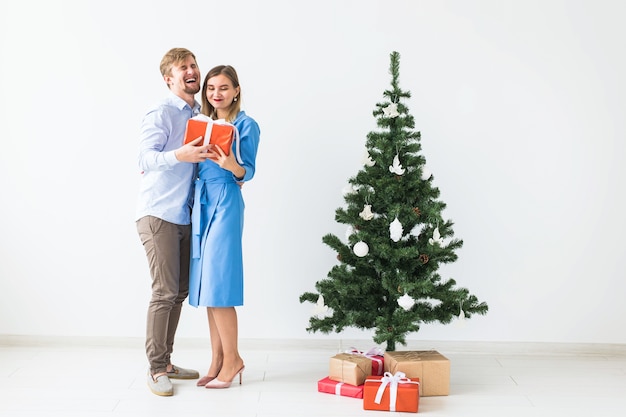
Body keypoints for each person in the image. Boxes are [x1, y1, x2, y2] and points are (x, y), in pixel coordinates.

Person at [135, 47, 212, 397]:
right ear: (170, 78)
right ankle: (155, 369)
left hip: (184, 215)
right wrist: (179, 154)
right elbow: (145, 158)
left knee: (178, 292)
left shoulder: (200, 114)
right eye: (184, 67)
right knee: (164, 292)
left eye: (194, 64)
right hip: (159, 214)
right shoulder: (161, 111)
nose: (192, 70)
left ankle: (165, 362)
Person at [189, 65, 260, 389]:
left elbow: (248, 171)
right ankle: (217, 360)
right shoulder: (201, 124)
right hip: (203, 201)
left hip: (227, 200)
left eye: (223, 88)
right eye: (211, 88)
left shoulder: (247, 124)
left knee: (219, 283)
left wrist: (229, 164)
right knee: (207, 286)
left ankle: (233, 360)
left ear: (236, 91)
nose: (216, 94)